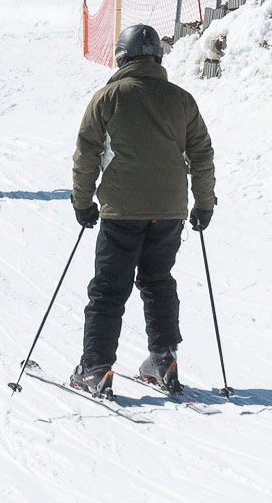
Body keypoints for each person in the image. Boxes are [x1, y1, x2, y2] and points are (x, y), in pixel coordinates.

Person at [68, 24, 216, 399]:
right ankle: (163, 360)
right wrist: (203, 203)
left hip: (122, 211)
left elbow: (87, 155)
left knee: (108, 290)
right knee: (157, 281)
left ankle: (96, 367)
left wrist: (83, 203)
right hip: (168, 212)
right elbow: (201, 154)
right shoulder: (181, 99)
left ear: (122, 56)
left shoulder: (108, 98)